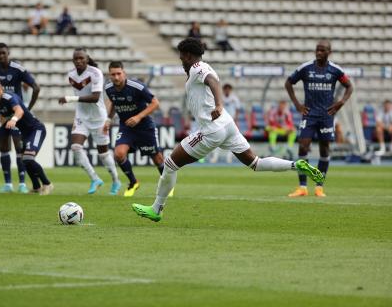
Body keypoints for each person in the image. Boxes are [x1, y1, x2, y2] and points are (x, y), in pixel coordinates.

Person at [131, 38, 324, 222]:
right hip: (227, 125)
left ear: (189, 56)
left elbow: (213, 82)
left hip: (212, 129)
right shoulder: (200, 69)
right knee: (255, 163)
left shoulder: (198, 68)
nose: (181, 61)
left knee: (170, 164)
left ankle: (157, 208)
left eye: (182, 57)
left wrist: (218, 104)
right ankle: (295, 165)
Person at [285, 39, 353, 197]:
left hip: (326, 116)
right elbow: (289, 83)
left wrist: (340, 102)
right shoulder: (306, 68)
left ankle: (319, 186)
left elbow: (349, 86)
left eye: (322, 50)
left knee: (325, 149)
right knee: (303, 147)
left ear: (329, 52)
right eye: (317, 50)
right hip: (309, 114)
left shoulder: (335, 70)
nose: (318, 53)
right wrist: (297, 104)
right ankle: (302, 187)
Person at [58, 48, 120, 195]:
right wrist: (76, 109)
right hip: (82, 117)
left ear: (87, 59)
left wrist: (70, 99)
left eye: (81, 58)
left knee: (103, 154)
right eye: (76, 59)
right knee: (75, 147)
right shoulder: (71, 75)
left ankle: (116, 180)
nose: (79, 61)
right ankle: (95, 179)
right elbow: (80, 95)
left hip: (99, 118)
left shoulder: (95, 73)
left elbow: (95, 97)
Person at [0, 43, 41, 193]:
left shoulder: (17, 69)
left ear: (8, 53)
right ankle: (8, 184)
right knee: (4, 148)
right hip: (0, 113)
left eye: (3, 53)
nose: (1, 56)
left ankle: (22, 183)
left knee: (19, 148)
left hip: (16, 114)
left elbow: (36, 87)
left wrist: (28, 108)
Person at [104, 61, 169, 197]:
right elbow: (115, 104)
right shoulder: (109, 88)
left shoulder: (136, 86)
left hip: (145, 126)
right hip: (126, 127)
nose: (116, 77)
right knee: (119, 154)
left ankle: (167, 184)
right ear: (109, 75)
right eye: (113, 74)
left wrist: (138, 117)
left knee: (157, 158)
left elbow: (155, 103)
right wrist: (108, 120)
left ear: (124, 73)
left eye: (118, 74)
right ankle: (133, 182)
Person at [0, 78, 53, 195]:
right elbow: (3, 116)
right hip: (26, 133)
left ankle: (47, 184)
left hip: (36, 129)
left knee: (28, 158)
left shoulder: (9, 97)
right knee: (24, 160)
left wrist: (14, 119)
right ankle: (36, 187)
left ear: (0, 87)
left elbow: (19, 111)